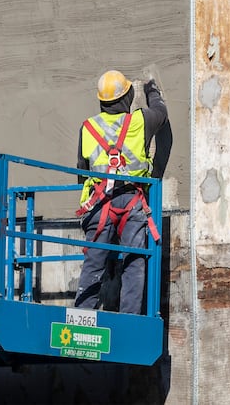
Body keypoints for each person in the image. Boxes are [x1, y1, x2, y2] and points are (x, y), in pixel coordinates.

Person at [74, 69, 168, 314]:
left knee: (94, 262)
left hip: (99, 203)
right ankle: (131, 319)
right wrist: (152, 90)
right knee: (133, 262)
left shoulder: (88, 127)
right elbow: (161, 113)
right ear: (127, 97)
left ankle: (82, 315)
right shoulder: (140, 120)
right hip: (133, 202)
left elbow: (81, 173)